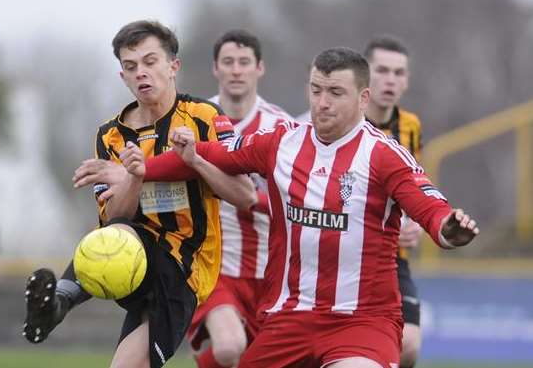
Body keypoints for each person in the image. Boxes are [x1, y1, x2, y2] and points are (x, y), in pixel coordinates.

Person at [74, 47, 479, 368]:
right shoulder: (281, 141)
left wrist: (448, 227)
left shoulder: (384, 155)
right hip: (289, 319)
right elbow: (207, 155)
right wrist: (135, 171)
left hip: (362, 320)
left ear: (362, 97)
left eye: (335, 93)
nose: (322, 102)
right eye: (316, 89)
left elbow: (428, 205)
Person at [22, 20, 255, 368]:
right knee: (115, 237)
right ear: (122, 76)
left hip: (184, 266)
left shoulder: (204, 117)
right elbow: (115, 218)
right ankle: (56, 304)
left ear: (173, 66)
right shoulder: (111, 136)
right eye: (131, 67)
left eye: (150, 62)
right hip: (133, 256)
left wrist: (195, 161)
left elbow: (246, 194)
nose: (141, 73)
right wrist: (133, 177)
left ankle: (63, 299)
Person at [187, 29, 291, 368]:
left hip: (271, 268)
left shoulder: (282, 127)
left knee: (258, 359)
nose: (236, 70)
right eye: (228, 62)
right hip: (214, 263)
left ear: (259, 68)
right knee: (230, 346)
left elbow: (298, 197)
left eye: (244, 62)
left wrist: (255, 201)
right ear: (215, 68)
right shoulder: (194, 119)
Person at [363, 36, 423, 368]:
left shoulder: (410, 126)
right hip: (344, 258)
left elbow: (413, 185)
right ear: (364, 74)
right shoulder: (344, 124)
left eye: (399, 73)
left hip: (392, 260)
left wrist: (416, 221)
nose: (390, 80)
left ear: (407, 80)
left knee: (409, 346)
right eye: (382, 70)